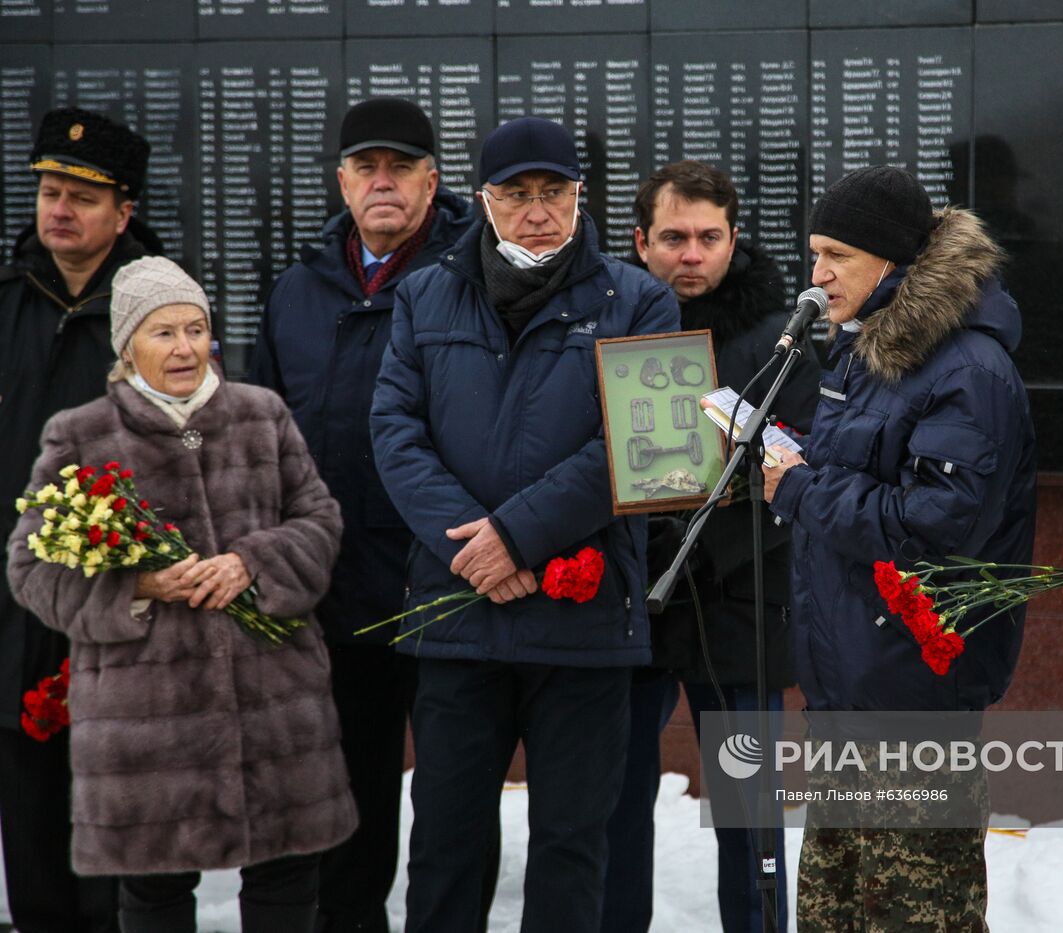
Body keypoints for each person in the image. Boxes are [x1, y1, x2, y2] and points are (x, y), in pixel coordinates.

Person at [370, 116, 680, 933]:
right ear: (483, 200)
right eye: (517, 195)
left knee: (574, 848)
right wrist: (477, 544)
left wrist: (518, 535)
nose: (537, 210)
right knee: (443, 845)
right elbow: (395, 433)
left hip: (579, 627)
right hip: (458, 615)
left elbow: (650, 449)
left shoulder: (643, 298)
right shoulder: (424, 293)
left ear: (581, 197)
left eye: (555, 192)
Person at [6, 256, 357, 933]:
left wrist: (252, 564)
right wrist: (138, 583)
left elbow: (320, 521)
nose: (185, 348)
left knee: (288, 884)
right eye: (163, 332)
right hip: (147, 726)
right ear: (127, 344)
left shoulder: (263, 415)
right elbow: (30, 567)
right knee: (155, 895)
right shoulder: (79, 435)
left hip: (276, 710)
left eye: (196, 329)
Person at [761, 165, 1037, 931]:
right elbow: (862, 473)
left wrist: (799, 490)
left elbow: (936, 524)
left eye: (836, 255)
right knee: (834, 914)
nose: (816, 275)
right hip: (848, 697)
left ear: (893, 261)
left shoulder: (967, 368)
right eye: (813, 253)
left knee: (916, 916)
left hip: (913, 707)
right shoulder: (867, 349)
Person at [249, 96, 476, 933]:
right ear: (342, 181)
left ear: (432, 180)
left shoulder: (473, 271)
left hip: (448, 581)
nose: (383, 183)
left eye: (401, 168)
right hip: (335, 591)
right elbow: (263, 428)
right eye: (367, 168)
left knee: (451, 812)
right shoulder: (299, 287)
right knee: (352, 804)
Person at [601, 159, 819, 933]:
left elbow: (805, 459)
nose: (689, 254)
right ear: (639, 240)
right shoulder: (607, 316)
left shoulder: (784, 334)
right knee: (614, 804)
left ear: (733, 240)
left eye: (707, 237)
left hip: (740, 598)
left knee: (748, 810)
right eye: (672, 237)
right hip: (629, 594)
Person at [0, 106, 162, 933]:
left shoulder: (161, 310)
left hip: (121, 610)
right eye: (50, 192)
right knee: (32, 852)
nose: (59, 209)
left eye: (83, 197)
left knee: (125, 862)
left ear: (123, 212)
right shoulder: (7, 302)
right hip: (17, 612)